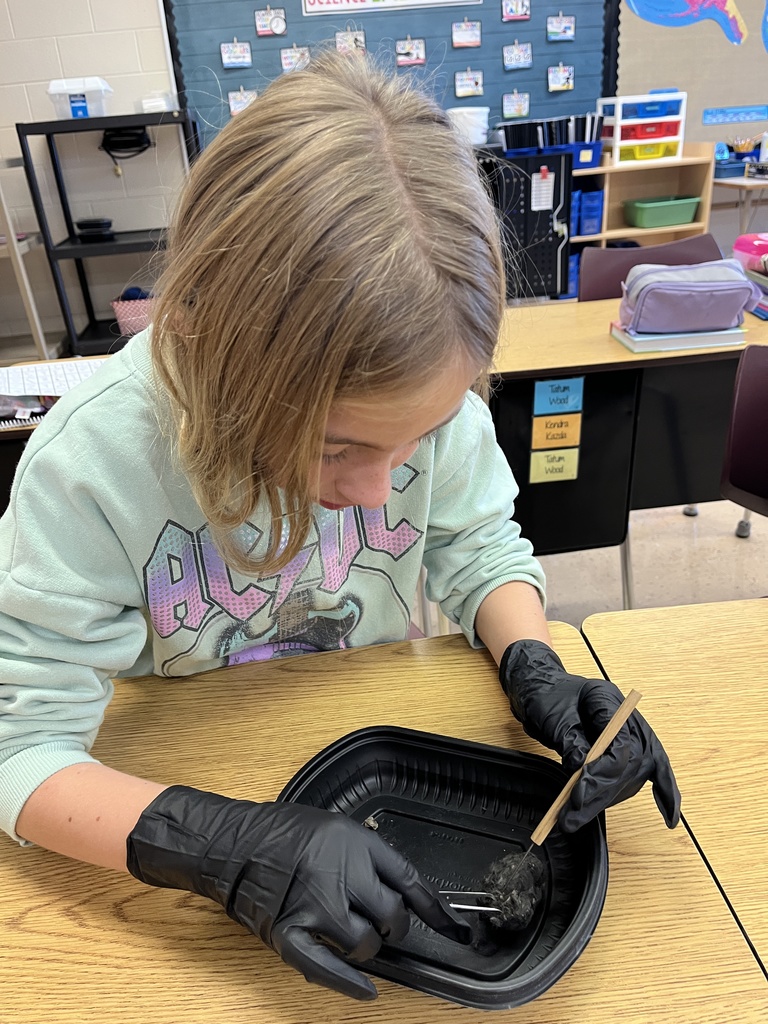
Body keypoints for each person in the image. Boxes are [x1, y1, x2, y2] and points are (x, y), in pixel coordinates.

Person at [0, 51, 680, 1002]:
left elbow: (479, 548)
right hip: (186, 771)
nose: (373, 492)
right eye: (332, 447)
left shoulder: (427, 397)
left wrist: (536, 665)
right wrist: (217, 848)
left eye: (419, 440)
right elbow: (18, 752)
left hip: (366, 743)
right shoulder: (91, 465)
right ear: (204, 340)